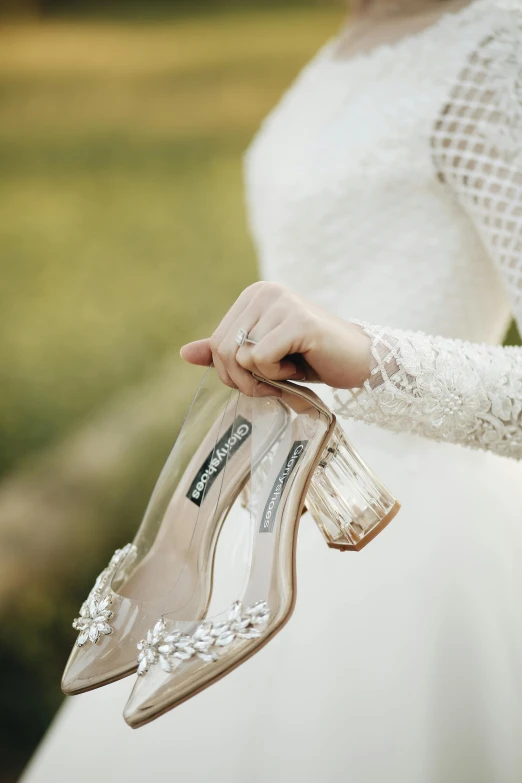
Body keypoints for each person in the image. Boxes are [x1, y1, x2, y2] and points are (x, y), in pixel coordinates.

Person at [23, 1, 522, 781]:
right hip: (269, 500)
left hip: (427, 546)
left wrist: (364, 354)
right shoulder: (348, 41)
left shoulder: (499, 47)